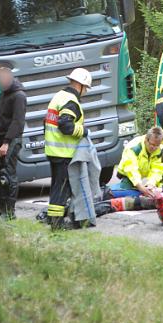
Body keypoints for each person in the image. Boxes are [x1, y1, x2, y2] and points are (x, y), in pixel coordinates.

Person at [44, 67, 92, 229]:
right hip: (64, 152)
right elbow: (65, 124)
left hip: (52, 150)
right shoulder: (71, 101)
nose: (85, 92)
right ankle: (57, 225)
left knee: (57, 186)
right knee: (62, 189)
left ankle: (53, 219)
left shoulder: (59, 96)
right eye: (86, 88)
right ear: (81, 85)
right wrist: (83, 131)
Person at [0, 67, 27, 217]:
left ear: (9, 78)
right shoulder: (4, 94)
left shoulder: (19, 96)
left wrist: (7, 142)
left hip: (12, 140)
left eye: (1, 80)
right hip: (1, 139)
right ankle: (1, 207)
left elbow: (18, 122)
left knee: (9, 175)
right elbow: (0, 118)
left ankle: (10, 212)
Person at [111, 126, 163, 198]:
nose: (154, 148)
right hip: (128, 173)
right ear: (146, 139)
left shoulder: (160, 150)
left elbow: (157, 170)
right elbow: (131, 169)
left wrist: (151, 185)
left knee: (158, 188)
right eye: (152, 144)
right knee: (128, 192)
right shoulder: (133, 147)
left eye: (157, 145)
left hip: (143, 170)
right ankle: (110, 191)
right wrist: (141, 187)